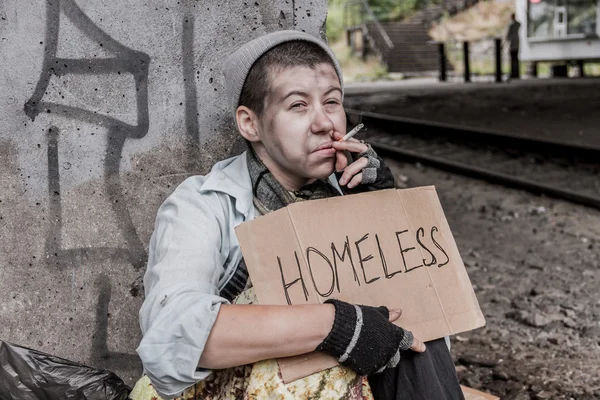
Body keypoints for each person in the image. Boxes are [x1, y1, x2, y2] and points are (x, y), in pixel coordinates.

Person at [131, 30, 464, 400]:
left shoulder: (351, 188)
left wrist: (382, 213)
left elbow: (429, 333)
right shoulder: (203, 204)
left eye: (332, 102)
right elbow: (171, 337)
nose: (324, 123)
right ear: (250, 123)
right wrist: (334, 325)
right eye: (298, 106)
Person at [506, 13, 521, 79]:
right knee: (516, 59)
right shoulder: (518, 24)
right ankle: (516, 73)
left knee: (512, 59)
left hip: (512, 43)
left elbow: (508, 35)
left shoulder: (511, 25)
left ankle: (513, 73)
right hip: (517, 42)